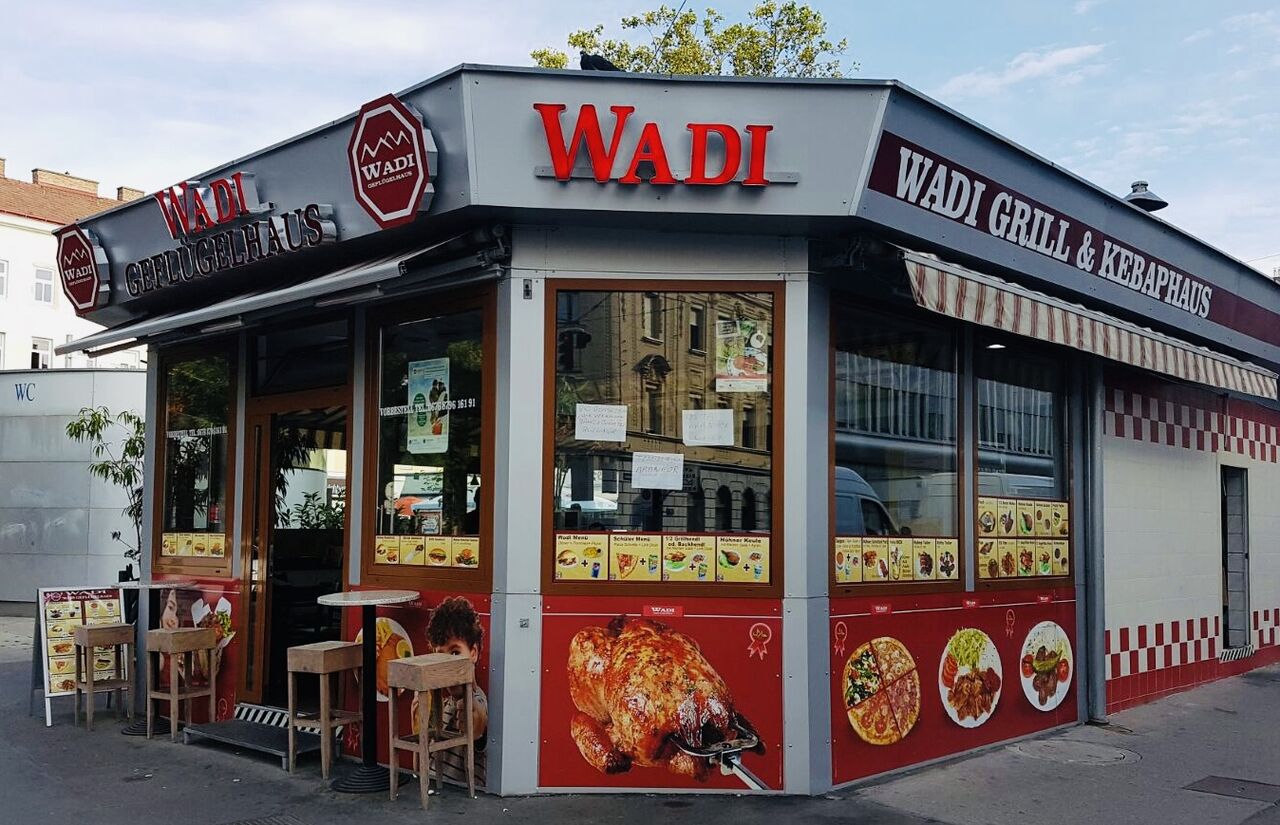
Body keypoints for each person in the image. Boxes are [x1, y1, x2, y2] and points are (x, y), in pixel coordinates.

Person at [423, 596, 488, 787]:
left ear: (473, 653)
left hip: (458, 796)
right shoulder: (440, 704)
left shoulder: (477, 699)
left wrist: (477, 724)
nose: (447, 664)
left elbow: (478, 718)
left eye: (455, 653)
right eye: (439, 655)